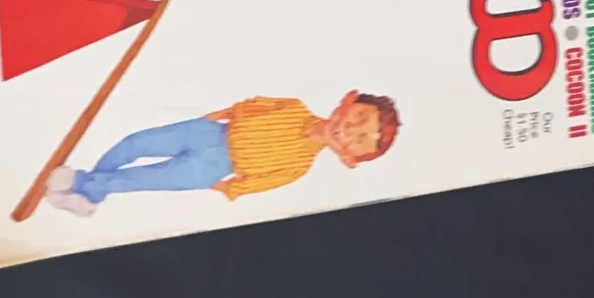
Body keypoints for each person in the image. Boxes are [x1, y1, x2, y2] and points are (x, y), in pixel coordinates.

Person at [44, 88, 400, 216]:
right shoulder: (294, 107)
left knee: (140, 179)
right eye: (358, 118)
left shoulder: (299, 166)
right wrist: (219, 115)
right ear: (347, 101)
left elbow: (258, 183)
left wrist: (222, 185)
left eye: (358, 140)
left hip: (212, 169)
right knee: (137, 143)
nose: (349, 131)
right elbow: (256, 104)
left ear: (348, 159)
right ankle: (88, 194)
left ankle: (82, 186)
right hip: (210, 132)